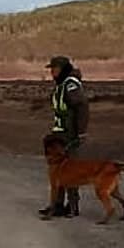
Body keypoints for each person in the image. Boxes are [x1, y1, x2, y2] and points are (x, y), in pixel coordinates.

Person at [40, 55, 89, 219]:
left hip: (70, 134)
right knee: (57, 171)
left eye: (54, 69)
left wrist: (81, 132)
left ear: (62, 69)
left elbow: (82, 107)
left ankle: (73, 206)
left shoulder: (70, 85)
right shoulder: (62, 84)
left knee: (70, 171)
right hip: (60, 133)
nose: (51, 72)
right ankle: (57, 205)